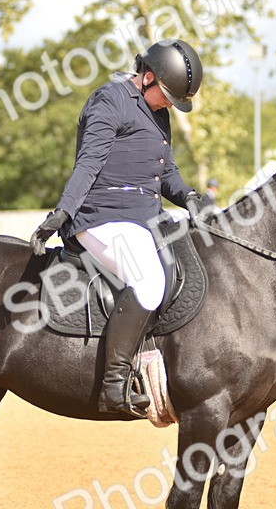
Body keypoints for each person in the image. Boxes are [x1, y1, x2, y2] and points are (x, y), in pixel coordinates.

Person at [30, 39, 213, 418]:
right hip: (102, 215)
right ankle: (114, 385)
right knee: (148, 282)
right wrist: (63, 211)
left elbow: (165, 171)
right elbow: (89, 163)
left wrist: (189, 196)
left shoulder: (157, 110)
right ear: (147, 77)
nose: (169, 106)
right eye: (167, 97)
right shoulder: (109, 100)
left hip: (145, 217)